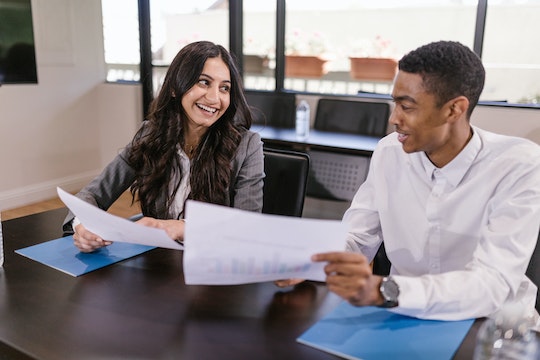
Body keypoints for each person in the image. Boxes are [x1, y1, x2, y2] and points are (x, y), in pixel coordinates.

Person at [279, 41, 540, 321]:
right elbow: (357, 237)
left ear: (454, 110)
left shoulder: (518, 164)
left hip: (491, 324)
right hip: (403, 314)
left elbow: (491, 283)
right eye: (395, 103)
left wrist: (386, 290)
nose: (394, 118)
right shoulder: (389, 151)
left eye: (407, 106)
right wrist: (308, 261)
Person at [63, 41, 264, 252]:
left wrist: (181, 228)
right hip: (157, 265)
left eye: (224, 88)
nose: (215, 98)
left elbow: (246, 227)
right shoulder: (150, 134)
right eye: (204, 82)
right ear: (176, 88)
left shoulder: (247, 146)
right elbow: (93, 194)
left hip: (212, 267)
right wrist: (83, 227)